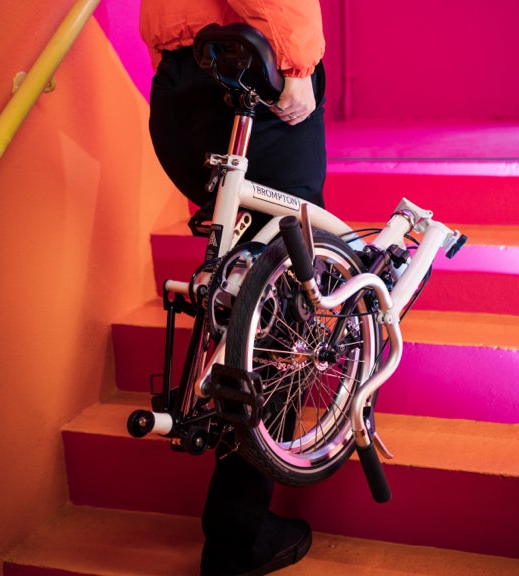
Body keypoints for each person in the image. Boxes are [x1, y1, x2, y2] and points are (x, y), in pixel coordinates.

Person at [139, 1, 327, 574]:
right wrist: (294, 64)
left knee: (241, 280)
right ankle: (238, 534)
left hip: (182, 80)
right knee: (283, 296)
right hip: (253, 68)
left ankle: (234, 509)